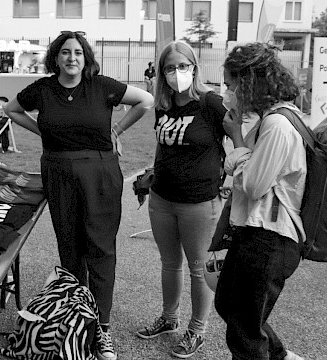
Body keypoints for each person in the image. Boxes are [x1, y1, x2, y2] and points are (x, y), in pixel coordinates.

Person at [4, 30, 154, 360]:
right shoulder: (43, 89)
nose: (72, 58)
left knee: (100, 248)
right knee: (69, 248)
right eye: (65, 52)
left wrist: (116, 129)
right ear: (55, 57)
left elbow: (146, 100)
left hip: (99, 172)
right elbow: (12, 110)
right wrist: (41, 129)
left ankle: (102, 329)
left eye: (78, 53)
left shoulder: (101, 86)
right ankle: (74, 322)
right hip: (58, 171)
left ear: (86, 58)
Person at [134, 41, 226, 359]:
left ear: (194, 67)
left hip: (199, 202)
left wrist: (231, 173)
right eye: (170, 67)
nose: (176, 73)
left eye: (182, 65)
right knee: (169, 264)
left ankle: (197, 330)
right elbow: (165, 144)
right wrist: (151, 174)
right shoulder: (163, 104)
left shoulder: (210, 103)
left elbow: (240, 137)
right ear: (162, 72)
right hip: (162, 198)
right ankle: (169, 319)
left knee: (199, 268)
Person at [215, 42, 306, 360]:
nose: (226, 92)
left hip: (271, 237)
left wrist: (236, 137)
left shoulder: (277, 125)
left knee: (244, 333)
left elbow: (253, 185)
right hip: (255, 231)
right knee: (227, 304)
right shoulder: (268, 119)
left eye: (229, 84)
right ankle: (280, 356)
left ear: (247, 81)